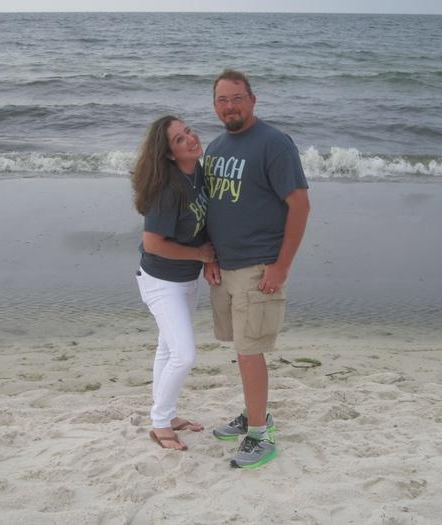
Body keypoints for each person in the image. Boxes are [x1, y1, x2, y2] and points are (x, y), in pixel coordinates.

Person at [203, 70, 310, 468]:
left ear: (253, 99)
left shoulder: (274, 144)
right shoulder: (215, 147)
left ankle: (260, 435)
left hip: (258, 266)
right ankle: (254, 414)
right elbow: (212, 206)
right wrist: (210, 257)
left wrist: (281, 266)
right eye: (222, 100)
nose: (229, 106)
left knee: (250, 351)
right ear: (214, 105)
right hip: (226, 267)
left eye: (236, 98)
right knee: (243, 348)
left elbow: (300, 206)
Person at [132, 115, 215, 451]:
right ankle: (160, 423)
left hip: (185, 278)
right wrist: (200, 255)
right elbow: (152, 243)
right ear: (169, 153)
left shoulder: (197, 172)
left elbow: (204, 224)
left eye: (188, 131)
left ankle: (167, 415)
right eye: (180, 139)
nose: (191, 139)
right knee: (184, 355)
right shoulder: (169, 190)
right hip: (161, 281)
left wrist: (208, 259)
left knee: (167, 348)